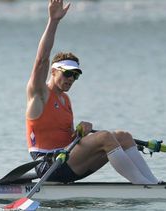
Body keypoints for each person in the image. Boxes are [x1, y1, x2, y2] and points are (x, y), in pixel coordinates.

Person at [25, 0, 158, 185]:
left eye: (75, 76)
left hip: (66, 159)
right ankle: (146, 187)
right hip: (49, 166)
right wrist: (53, 21)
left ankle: (154, 183)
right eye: (67, 73)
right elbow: (41, 59)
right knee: (104, 137)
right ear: (53, 72)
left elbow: (65, 138)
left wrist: (81, 131)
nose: (71, 79)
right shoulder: (39, 95)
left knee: (123, 137)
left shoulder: (65, 100)